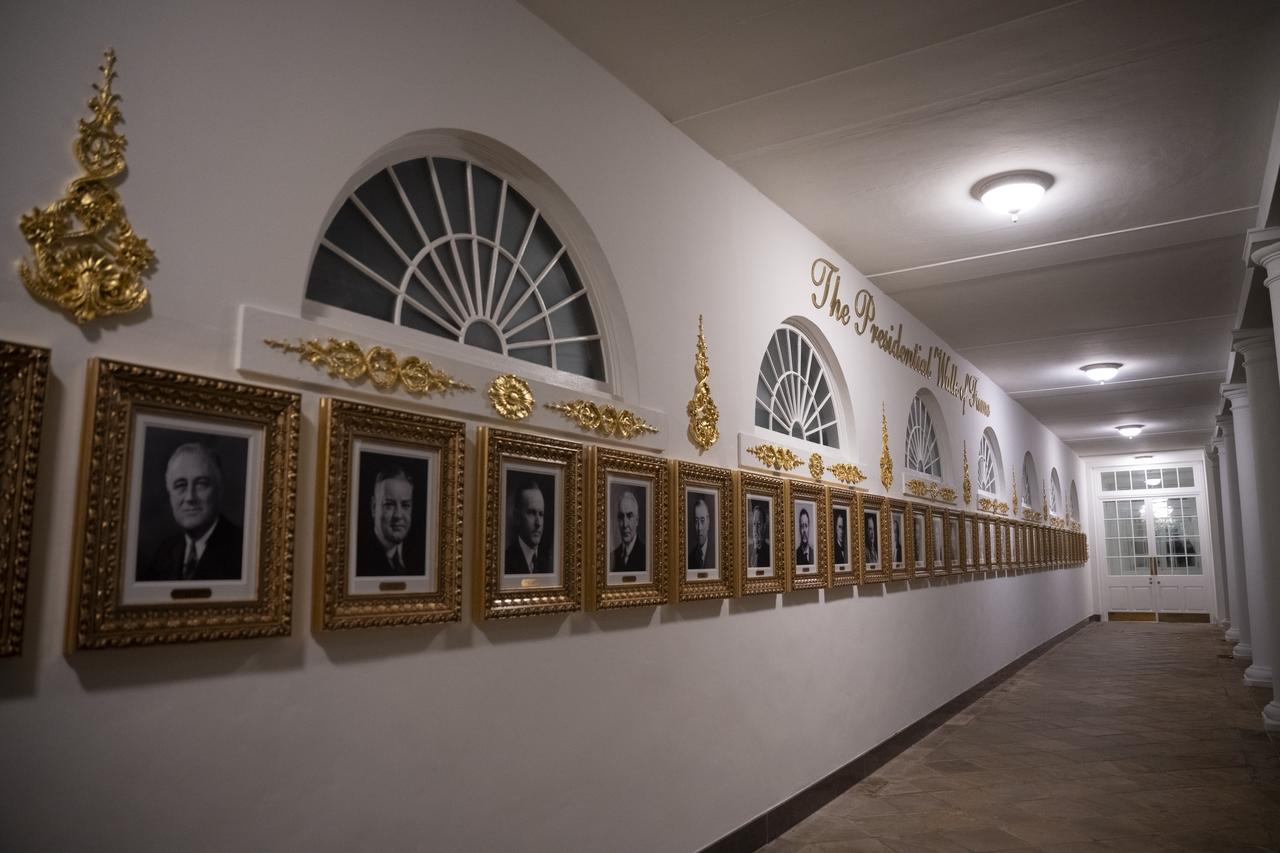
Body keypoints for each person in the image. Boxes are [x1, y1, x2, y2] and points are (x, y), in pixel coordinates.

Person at [139, 442, 243, 582]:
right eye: (180, 485)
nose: (190, 497)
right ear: (170, 493)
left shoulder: (242, 549)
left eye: (201, 484)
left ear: (219, 490)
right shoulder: (164, 553)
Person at [356, 466, 423, 576]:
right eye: (389, 505)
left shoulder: (420, 555)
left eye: (406, 505)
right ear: (374, 507)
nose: (398, 515)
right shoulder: (359, 559)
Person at [505, 478, 551, 574]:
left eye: (541, 514)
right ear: (517, 517)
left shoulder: (549, 562)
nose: (538, 523)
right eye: (531, 513)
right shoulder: (506, 561)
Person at [611, 489, 646, 571]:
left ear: (637, 521)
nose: (625, 524)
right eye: (621, 517)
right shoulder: (612, 556)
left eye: (629, 516)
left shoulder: (646, 555)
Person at [687, 496, 715, 569]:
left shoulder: (717, 552)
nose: (699, 528)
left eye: (702, 520)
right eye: (696, 521)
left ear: (708, 521)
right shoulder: (690, 558)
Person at [748, 502, 770, 568]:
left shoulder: (769, 553)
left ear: (764, 526)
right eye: (754, 524)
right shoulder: (748, 550)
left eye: (759, 524)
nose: (755, 529)